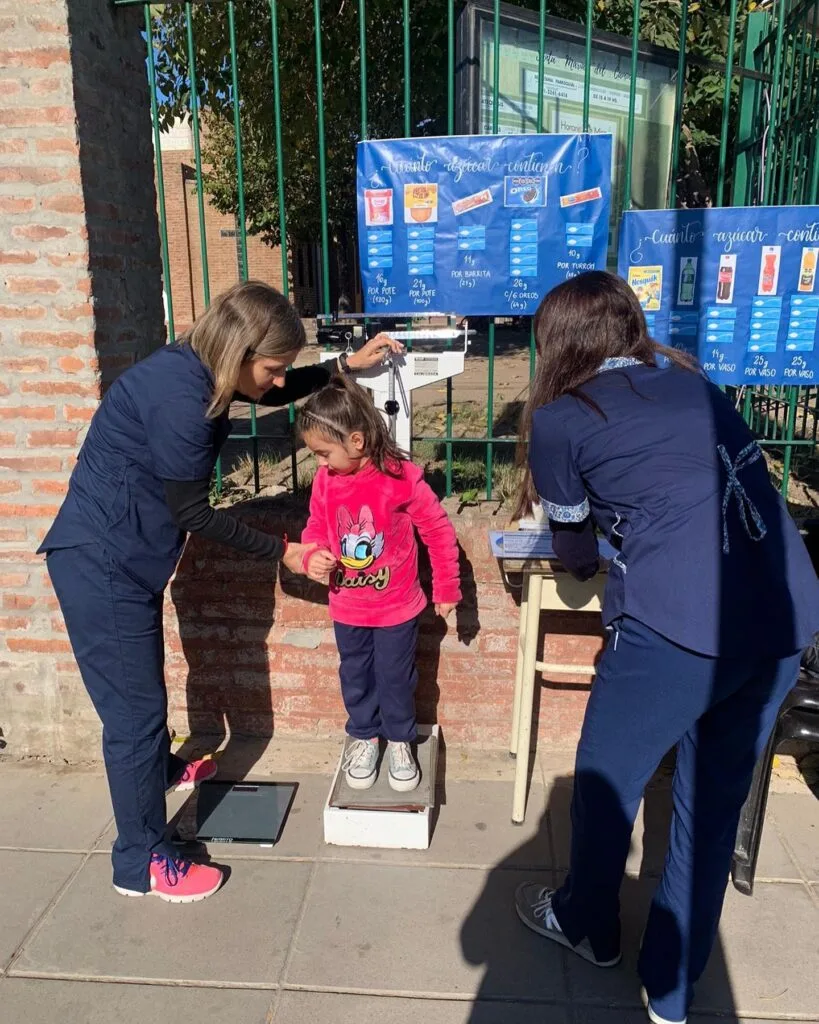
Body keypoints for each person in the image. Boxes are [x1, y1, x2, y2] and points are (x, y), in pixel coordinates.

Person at [510, 272, 819, 1024]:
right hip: (784, 615)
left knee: (606, 781)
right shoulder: (694, 385)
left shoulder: (560, 419)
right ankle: (672, 990)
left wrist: (601, 539)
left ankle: (588, 924)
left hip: (677, 627)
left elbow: (574, 553)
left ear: (556, 344)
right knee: (710, 807)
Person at [38, 280, 401, 903]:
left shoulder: (199, 368)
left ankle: (159, 771)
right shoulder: (181, 400)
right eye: (273, 366)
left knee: (140, 697)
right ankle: (140, 862)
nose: (277, 380)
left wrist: (341, 365)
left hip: (125, 557)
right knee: (133, 717)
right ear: (239, 351)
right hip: (103, 563)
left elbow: (266, 389)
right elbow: (193, 513)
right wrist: (284, 551)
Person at [297, 374, 461, 791]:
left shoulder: (400, 477)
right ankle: (365, 736)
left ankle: (401, 740)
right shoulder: (325, 482)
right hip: (348, 608)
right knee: (355, 676)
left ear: (355, 440)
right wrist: (313, 554)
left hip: (397, 609)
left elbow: (437, 530)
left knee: (395, 677)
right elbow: (316, 526)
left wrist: (446, 587)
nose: (320, 463)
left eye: (323, 453)